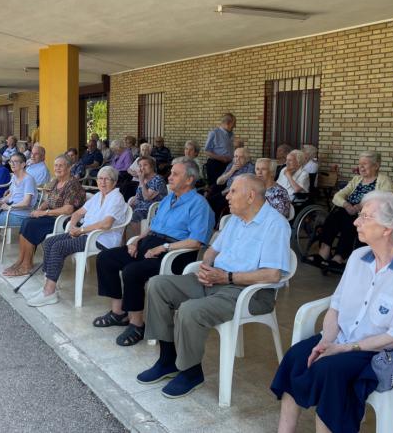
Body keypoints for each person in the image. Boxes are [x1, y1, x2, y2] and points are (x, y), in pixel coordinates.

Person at [272, 192, 393, 433]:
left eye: (365, 217)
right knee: (296, 357)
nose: (356, 221)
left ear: (388, 228)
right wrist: (326, 342)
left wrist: (343, 348)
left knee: (328, 370)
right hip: (342, 338)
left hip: (382, 351)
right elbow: (335, 307)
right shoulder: (358, 257)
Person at [136, 174, 290, 398]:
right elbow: (212, 250)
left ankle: (190, 372)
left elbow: (272, 274)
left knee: (190, 310)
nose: (227, 195)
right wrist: (207, 267)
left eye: (234, 191)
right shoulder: (235, 219)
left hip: (248, 293)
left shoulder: (275, 225)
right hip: (216, 280)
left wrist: (226, 277)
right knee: (157, 285)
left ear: (250, 196)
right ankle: (167, 360)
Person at [95, 158, 214, 347]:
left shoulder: (200, 205)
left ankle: (137, 324)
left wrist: (164, 248)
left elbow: (196, 242)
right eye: (171, 172)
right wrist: (137, 240)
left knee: (132, 271)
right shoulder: (168, 199)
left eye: (175, 174)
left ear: (190, 179)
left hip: (175, 253)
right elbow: (153, 227)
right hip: (150, 244)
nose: (170, 177)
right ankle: (119, 313)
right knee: (106, 258)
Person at [27, 166, 128, 307]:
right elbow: (77, 213)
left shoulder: (116, 198)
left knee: (58, 247)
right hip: (85, 233)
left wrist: (81, 230)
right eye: (100, 178)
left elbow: (106, 224)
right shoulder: (98, 196)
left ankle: (49, 292)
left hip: (101, 239)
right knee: (50, 242)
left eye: (107, 179)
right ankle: (47, 285)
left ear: (114, 182)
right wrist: (73, 226)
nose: (102, 182)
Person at [3, 154, 86, 277]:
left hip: (64, 220)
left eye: (61, 166)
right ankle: (21, 260)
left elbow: (68, 209)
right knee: (27, 221)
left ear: (69, 168)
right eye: (56, 165)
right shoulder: (56, 181)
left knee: (32, 225)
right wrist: (41, 207)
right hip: (52, 216)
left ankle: (26, 265)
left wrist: (43, 213)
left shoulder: (72, 184)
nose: (57, 168)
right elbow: (50, 200)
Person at [310, 151, 393, 272]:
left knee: (350, 222)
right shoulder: (357, 179)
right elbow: (338, 196)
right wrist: (346, 204)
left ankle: (339, 257)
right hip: (348, 210)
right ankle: (324, 252)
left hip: (368, 215)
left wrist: (360, 206)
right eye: (360, 164)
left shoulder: (384, 180)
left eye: (365, 164)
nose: (361, 167)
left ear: (376, 166)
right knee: (333, 218)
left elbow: (386, 198)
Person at [207, 147, 254, 221]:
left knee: (213, 201)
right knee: (209, 198)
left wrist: (224, 192)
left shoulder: (250, 168)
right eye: (236, 156)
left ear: (246, 159)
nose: (237, 159)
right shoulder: (232, 165)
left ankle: (214, 222)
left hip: (235, 194)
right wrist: (232, 170)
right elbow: (219, 181)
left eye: (241, 157)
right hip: (225, 191)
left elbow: (244, 186)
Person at [125, 156, 168, 237]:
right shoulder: (144, 178)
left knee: (136, 214)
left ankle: (138, 240)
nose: (142, 168)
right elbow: (139, 195)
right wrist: (131, 202)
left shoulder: (158, 179)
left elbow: (147, 197)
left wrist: (141, 180)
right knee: (123, 212)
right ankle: (122, 241)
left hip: (154, 207)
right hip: (142, 205)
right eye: (140, 165)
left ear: (152, 167)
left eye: (145, 165)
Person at [204, 113, 236, 185]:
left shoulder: (231, 134)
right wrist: (221, 158)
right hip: (216, 165)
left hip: (228, 165)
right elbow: (206, 151)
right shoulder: (214, 133)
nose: (235, 126)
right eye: (233, 124)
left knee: (226, 186)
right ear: (228, 123)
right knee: (215, 187)